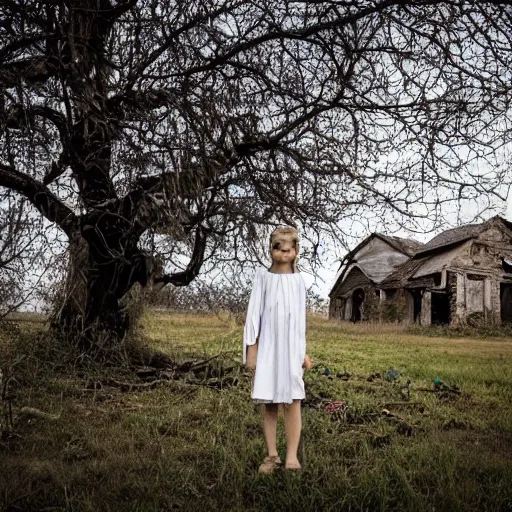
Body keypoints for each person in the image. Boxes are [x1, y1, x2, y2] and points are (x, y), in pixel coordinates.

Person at [243, 226, 313, 474]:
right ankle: (272, 455)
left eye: (289, 247)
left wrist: (302, 352)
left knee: (293, 401)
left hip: (291, 350)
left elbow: (300, 322)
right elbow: (254, 316)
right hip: (267, 350)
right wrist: (252, 349)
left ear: (295, 251)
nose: (284, 250)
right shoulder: (263, 278)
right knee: (270, 403)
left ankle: (292, 456)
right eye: (278, 246)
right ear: (271, 248)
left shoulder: (300, 281)